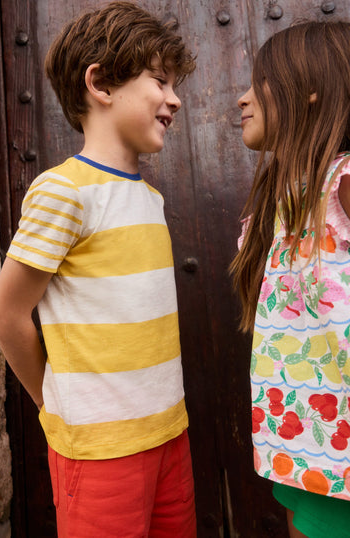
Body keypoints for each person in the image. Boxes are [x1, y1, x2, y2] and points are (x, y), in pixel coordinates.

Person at [0, 2, 196, 537]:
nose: (175, 98)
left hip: (171, 434)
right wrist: (55, 404)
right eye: (159, 80)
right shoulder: (64, 191)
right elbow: (8, 315)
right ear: (101, 83)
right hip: (99, 450)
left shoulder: (149, 197)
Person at [231, 21, 350, 538]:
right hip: (301, 446)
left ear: (309, 88)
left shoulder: (342, 183)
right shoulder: (282, 202)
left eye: (260, 81)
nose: (242, 97)